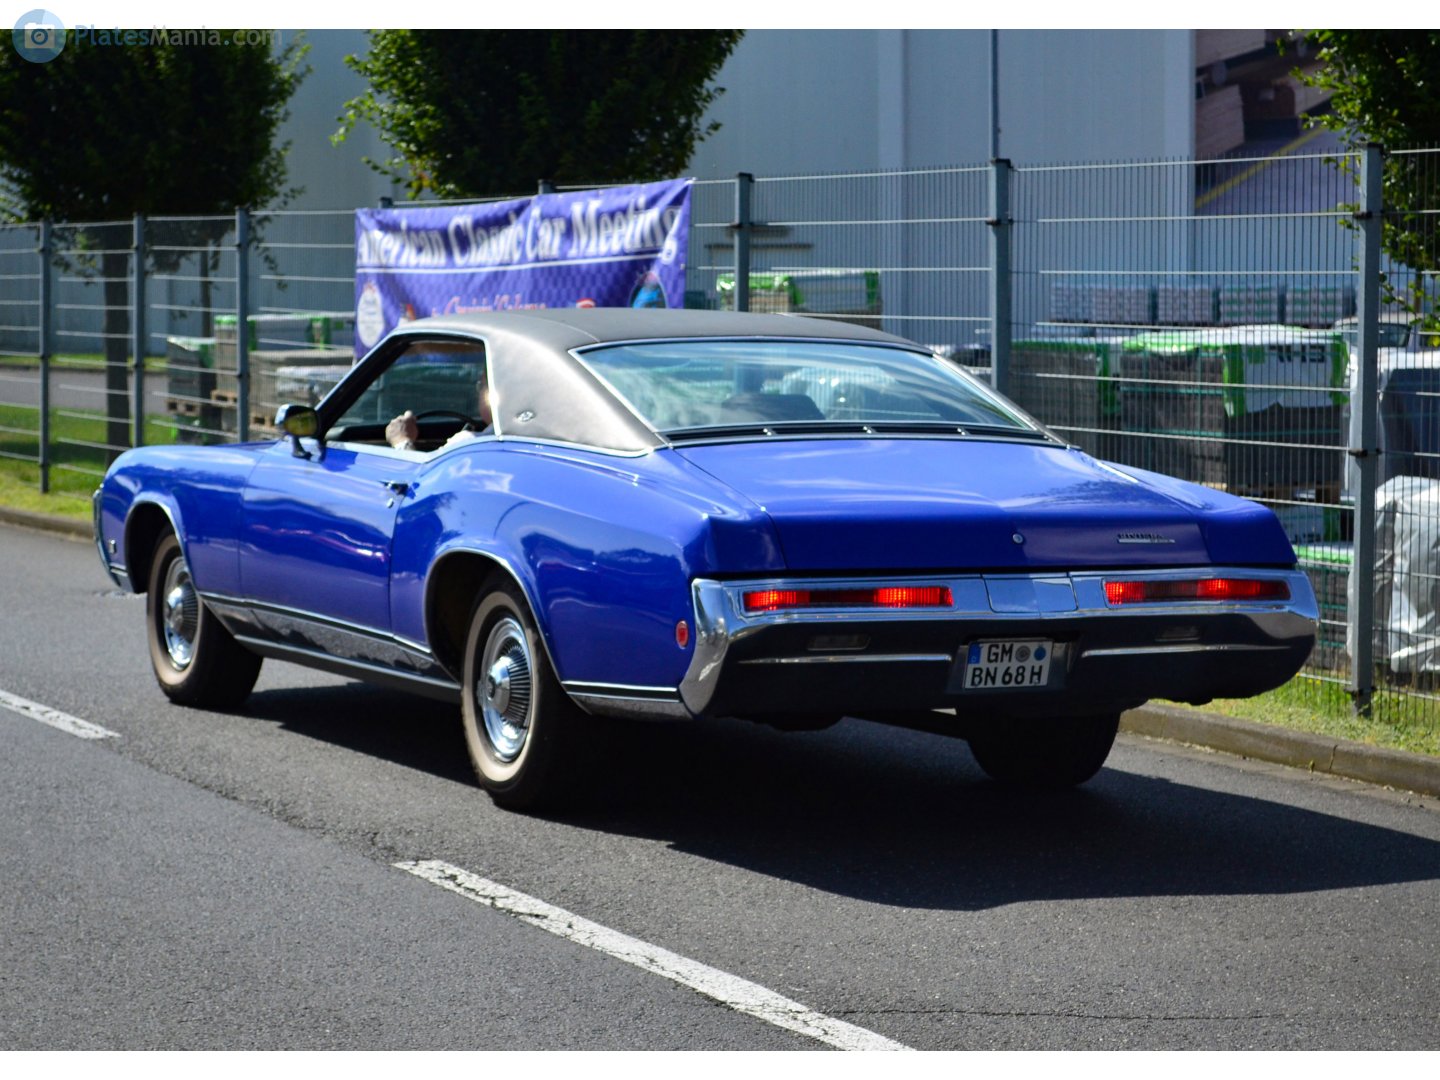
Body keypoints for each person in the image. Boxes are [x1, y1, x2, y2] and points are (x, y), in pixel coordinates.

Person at [386, 381, 492, 451]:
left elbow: (424, 478)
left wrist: (401, 440)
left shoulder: (468, 445)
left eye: (481, 386)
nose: (479, 393)